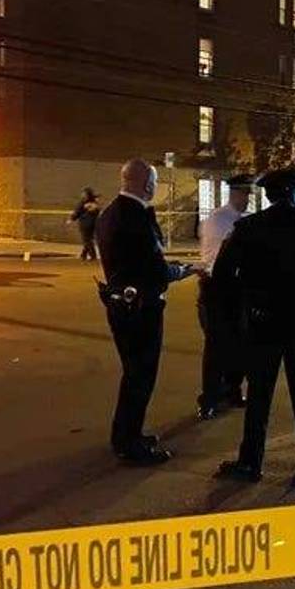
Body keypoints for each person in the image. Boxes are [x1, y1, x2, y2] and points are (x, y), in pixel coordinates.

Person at [211, 167, 295, 484]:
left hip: (263, 324)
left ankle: (251, 462)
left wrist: (241, 310)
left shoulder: (247, 229)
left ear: (271, 196)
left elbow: (222, 277)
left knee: (258, 397)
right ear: (292, 194)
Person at [95, 160, 195, 465]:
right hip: (141, 309)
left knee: (132, 374)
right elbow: (156, 270)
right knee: (141, 376)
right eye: (154, 181)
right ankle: (130, 443)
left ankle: (125, 434)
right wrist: (185, 270)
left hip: (119, 304)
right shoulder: (136, 218)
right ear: (148, 184)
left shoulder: (109, 214)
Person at [195, 174, 254, 420]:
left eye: (249, 194)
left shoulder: (246, 220)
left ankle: (232, 391)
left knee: (241, 343)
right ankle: (209, 398)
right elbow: (218, 256)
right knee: (216, 347)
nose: (247, 198)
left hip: (239, 288)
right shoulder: (218, 219)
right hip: (216, 287)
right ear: (234, 193)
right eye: (244, 193)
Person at [70, 187, 101, 261]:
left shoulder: (82, 203)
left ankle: (92, 255)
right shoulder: (95, 203)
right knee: (88, 239)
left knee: (86, 239)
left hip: (85, 224)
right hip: (93, 223)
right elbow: (97, 211)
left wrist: (72, 219)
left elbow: (77, 212)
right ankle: (83, 254)